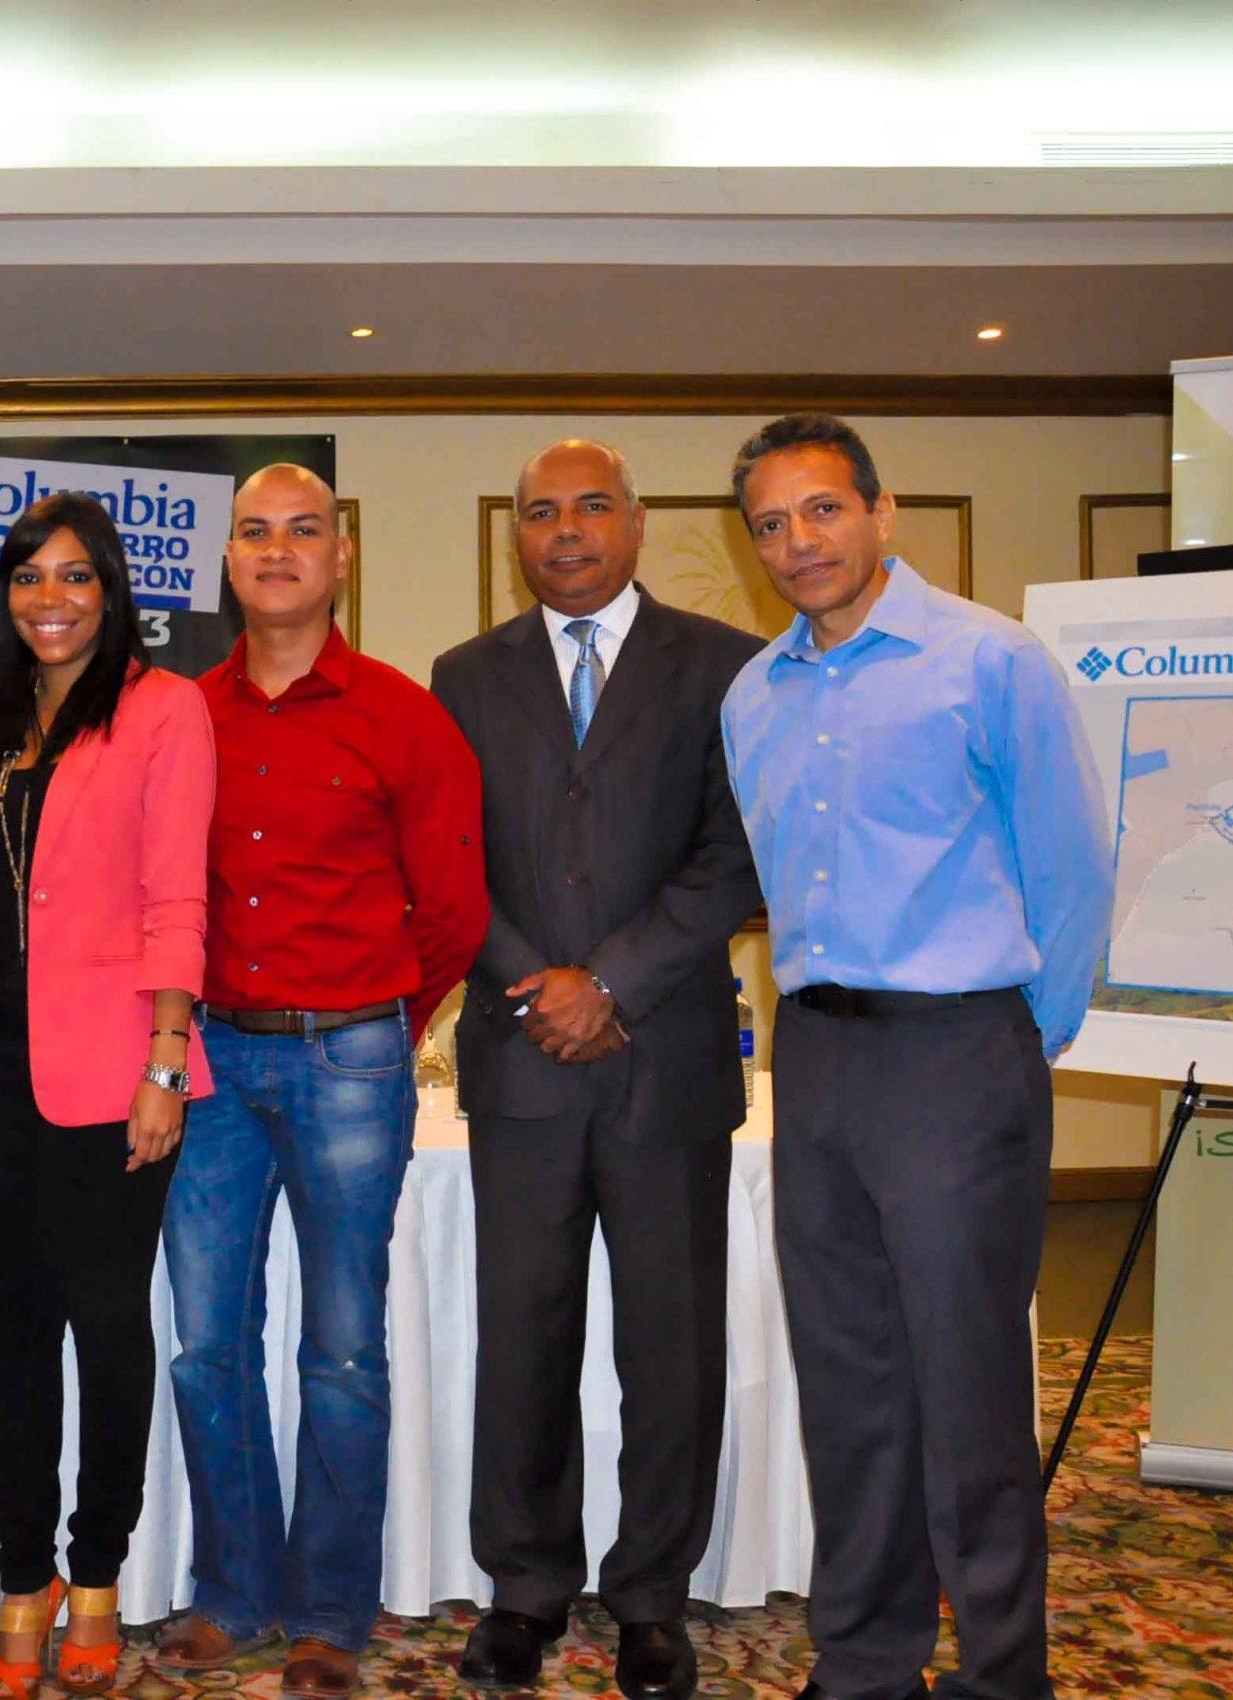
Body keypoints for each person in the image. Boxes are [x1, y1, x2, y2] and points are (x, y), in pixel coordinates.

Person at [721, 414, 1109, 1700]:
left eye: (822, 508)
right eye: (770, 523)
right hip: (816, 1057)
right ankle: (867, 1662)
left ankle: (1002, 1674)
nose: (798, 541)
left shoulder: (989, 660)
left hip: (956, 1053)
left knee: (967, 1390)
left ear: (882, 512)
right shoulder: (751, 694)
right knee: (850, 1386)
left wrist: (1013, 1040)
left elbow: (1069, 868)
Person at [430, 441, 765, 1700]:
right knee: (522, 1332)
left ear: (635, 520)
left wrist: (610, 980)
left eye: (589, 507)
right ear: (513, 533)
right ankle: (524, 1583)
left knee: (669, 1342)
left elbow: (737, 853)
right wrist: (541, 983)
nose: (563, 530)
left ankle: (650, 1594)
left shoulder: (727, 666)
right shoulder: (464, 676)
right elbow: (447, 860)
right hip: (522, 1056)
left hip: (664, 1056)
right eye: (538, 512)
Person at [159, 464, 489, 1699]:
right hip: (209, 1060)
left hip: (352, 1053)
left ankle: (328, 1613)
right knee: (206, 1344)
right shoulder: (181, 714)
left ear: (340, 556)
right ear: (227, 560)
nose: (278, 549)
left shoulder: (402, 714)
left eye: (303, 531)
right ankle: (231, 1590)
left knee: (341, 1350)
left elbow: (453, 907)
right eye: (254, 531)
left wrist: (379, 1016)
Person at [0, 493, 217, 1698]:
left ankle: (96, 1572)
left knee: (107, 1322)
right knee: (14, 1324)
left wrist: (165, 1057)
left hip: (117, 1062)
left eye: (73, 575)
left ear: (111, 589)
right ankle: (24, 1576)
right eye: (26, 576)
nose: (48, 598)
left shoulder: (165, 708)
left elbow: (175, 893)